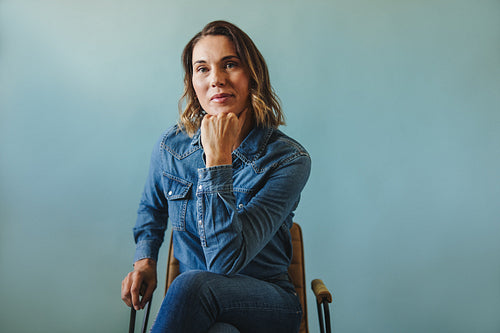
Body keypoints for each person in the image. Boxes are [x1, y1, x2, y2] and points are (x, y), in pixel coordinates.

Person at [121, 20, 311, 333]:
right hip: (197, 309)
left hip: (267, 303)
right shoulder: (172, 147)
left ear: (253, 76)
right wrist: (145, 260)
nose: (217, 80)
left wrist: (218, 161)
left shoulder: (288, 161)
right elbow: (152, 209)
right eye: (202, 69)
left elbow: (224, 263)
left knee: (194, 285)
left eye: (230, 65)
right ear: (192, 83)